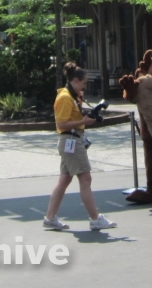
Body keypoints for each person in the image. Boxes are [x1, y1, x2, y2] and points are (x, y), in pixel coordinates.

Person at [43, 62, 117, 231]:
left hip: (71, 140)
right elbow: (61, 124)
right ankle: (95, 218)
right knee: (85, 179)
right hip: (71, 139)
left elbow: (69, 118)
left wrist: (81, 108)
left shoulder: (70, 95)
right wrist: (83, 121)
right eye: (83, 83)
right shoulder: (65, 98)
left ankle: (50, 217)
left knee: (64, 179)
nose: (84, 86)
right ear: (75, 80)